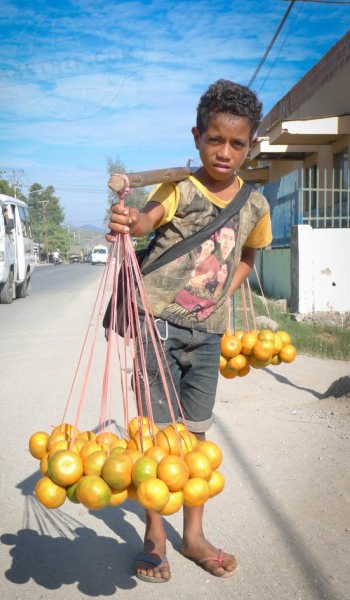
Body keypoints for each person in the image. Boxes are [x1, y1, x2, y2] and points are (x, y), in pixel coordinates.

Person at [106, 79, 272, 582]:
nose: (224, 152)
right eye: (214, 139)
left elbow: (248, 253)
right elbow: (146, 221)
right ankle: (155, 534)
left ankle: (194, 533)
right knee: (158, 436)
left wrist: (224, 291)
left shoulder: (256, 205)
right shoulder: (179, 189)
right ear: (197, 136)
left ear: (250, 146)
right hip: (158, 325)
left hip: (207, 334)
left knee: (195, 433)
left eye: (236, 143)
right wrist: (128, 217)